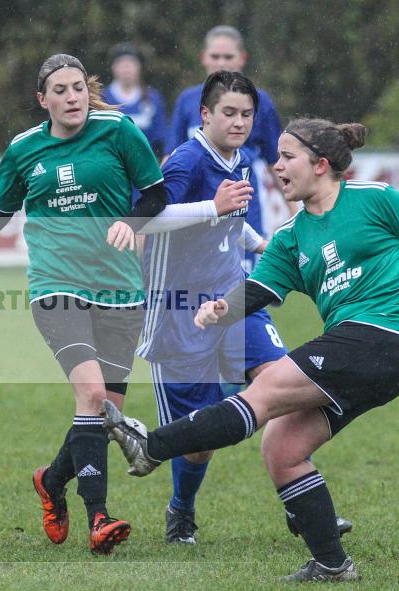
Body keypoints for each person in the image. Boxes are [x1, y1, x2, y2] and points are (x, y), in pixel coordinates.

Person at [102, 117, 399, 581]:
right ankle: (332, 564)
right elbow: (259, 289)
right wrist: (221, 309)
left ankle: (151, 446)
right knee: (282, 446)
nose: (277, 167)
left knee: (267, 387)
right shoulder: (292, 236)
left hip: (392, 335)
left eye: (288, 157)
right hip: (362, 354)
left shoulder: (377, 199)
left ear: (321, 164)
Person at [0, 54, 167, 555]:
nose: (72, 98)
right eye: (60, 91)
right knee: (91, 394)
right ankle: (99, 518)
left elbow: (156, 194)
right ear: (42, 100)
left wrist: (130, 222)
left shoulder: (118, 130)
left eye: (78, 89)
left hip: (120, 289)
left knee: (106, 410)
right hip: (56, 286)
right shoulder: (25, 149)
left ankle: (51, 481)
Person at [134, 72, 350, 545]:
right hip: (179, 311)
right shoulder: (187, 160)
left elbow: (231, 226)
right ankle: (181, 512)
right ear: (205, 114)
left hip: (235, 298)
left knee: (284, 382)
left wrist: (262, 243)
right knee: (201, 444)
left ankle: (303, 506)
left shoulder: (241, 161)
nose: (238, 122)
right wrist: (211, 206)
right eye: (228, 113)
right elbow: (144, 218)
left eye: (246, 114)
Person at [167, 25, 285, 267]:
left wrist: (296, 210)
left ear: (242, 58)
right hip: (197, 214)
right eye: (215, 56)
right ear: (206, 114)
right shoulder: (188, 108)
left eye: (228, 57)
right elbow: (170, 159)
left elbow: (277, 162)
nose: (239, 123)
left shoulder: (259, 103)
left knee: (243, 291)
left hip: (243, 206)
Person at [102, 44, 168, 157]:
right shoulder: (102, 98)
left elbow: (160, 137)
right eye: (121, 64)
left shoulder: (152, 97)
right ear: (113, 67)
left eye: (131, 63)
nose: (126, 68)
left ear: (139, 67)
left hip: (146, 163)